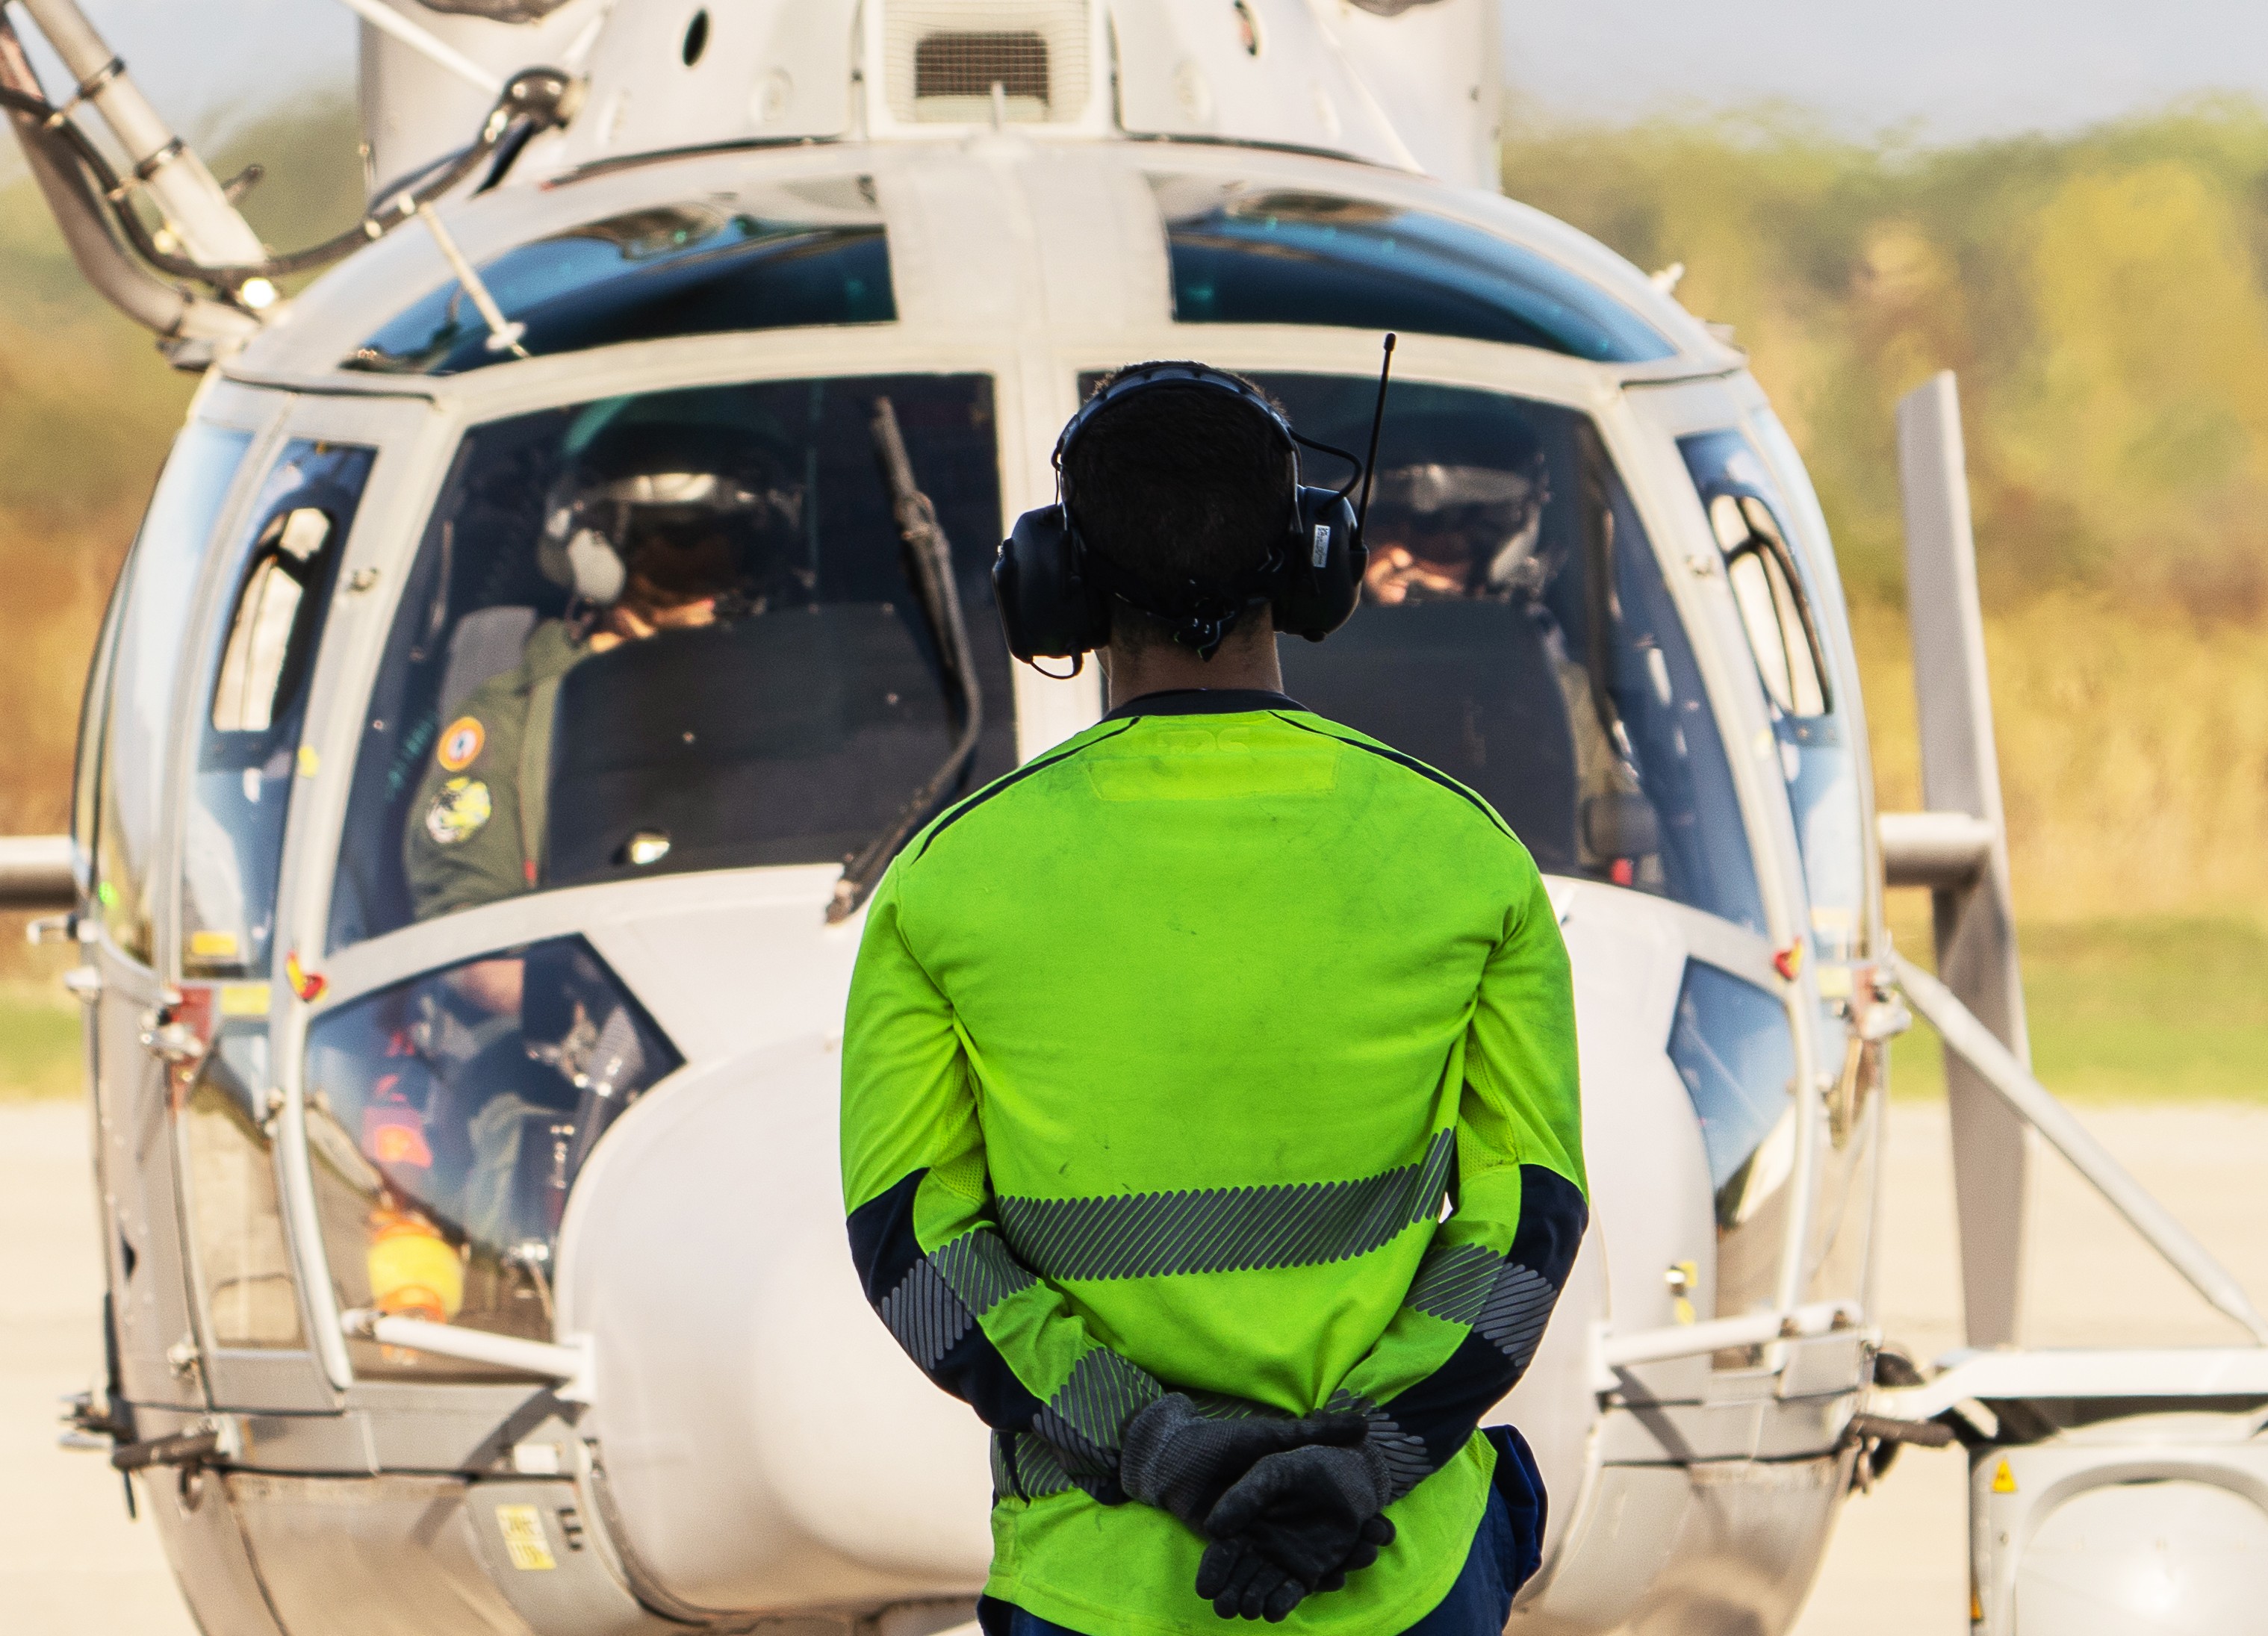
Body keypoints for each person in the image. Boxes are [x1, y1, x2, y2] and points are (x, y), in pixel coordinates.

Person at [839, 363, 1587, 1636]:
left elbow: (915, 1251)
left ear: (1055, 586)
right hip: (1392, 1568)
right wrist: (1365, 1461)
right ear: (1312, 564)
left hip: (1100, 1582)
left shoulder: (940, 885)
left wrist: (1162, 1446)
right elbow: (1525, 1233)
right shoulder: (1467, 855)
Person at [402, 420, 804, 929]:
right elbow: (467, 943)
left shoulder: (791, 688)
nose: (715, 579)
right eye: (681, 547)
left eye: (739, 546)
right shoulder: (511, 719)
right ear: (595, 552)